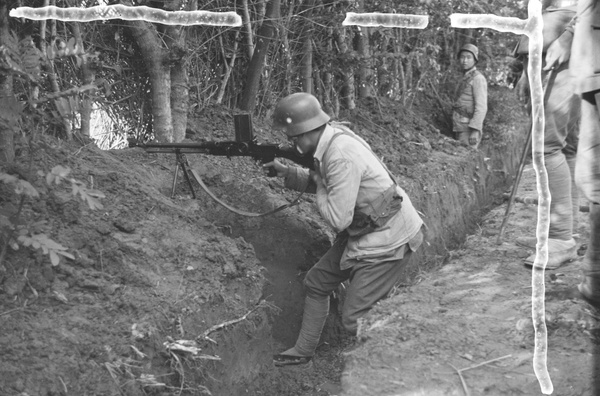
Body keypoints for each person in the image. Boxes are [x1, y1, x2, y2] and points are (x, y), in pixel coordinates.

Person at [264, 92, 424, 366]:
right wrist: (289, 173)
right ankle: (304, 350)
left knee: (354, 318)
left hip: (388, 239)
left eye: (293, 138)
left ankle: (400, 358)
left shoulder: (339, 155)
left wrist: (319, 185)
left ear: (305, 132)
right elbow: (334, 186)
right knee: (317, 282)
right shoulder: (332, 138)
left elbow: (338, 217)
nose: (293, 144)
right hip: (367, 228)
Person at [512, 1, 581, 270]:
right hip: (558, 51)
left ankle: (560, 239)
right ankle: (567, 232)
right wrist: (527, 71)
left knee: (546, 148)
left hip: (569, 51)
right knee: (566, 148)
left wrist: (570, 36)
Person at [452, 43, 488, 149]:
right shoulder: (464, 76)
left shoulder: (478, 78)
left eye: (468, 57)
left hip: (469, 129)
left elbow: (481, 107)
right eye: (462, 57)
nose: (465, 60)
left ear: (475, 60)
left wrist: (476, 130)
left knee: (464, 159)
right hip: (459, 126)